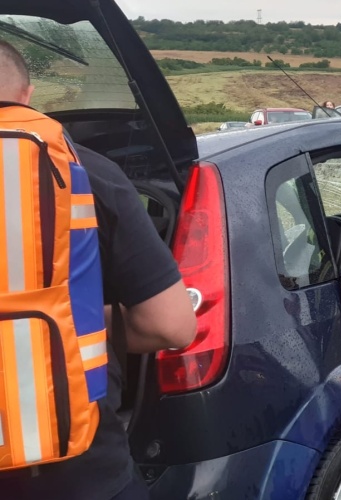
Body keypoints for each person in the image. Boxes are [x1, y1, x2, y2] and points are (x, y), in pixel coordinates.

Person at [0, 40, 197, 499]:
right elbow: (171, 325)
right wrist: (78, 321)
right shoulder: (90, 174)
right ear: (27, 95)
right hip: (79, 473)